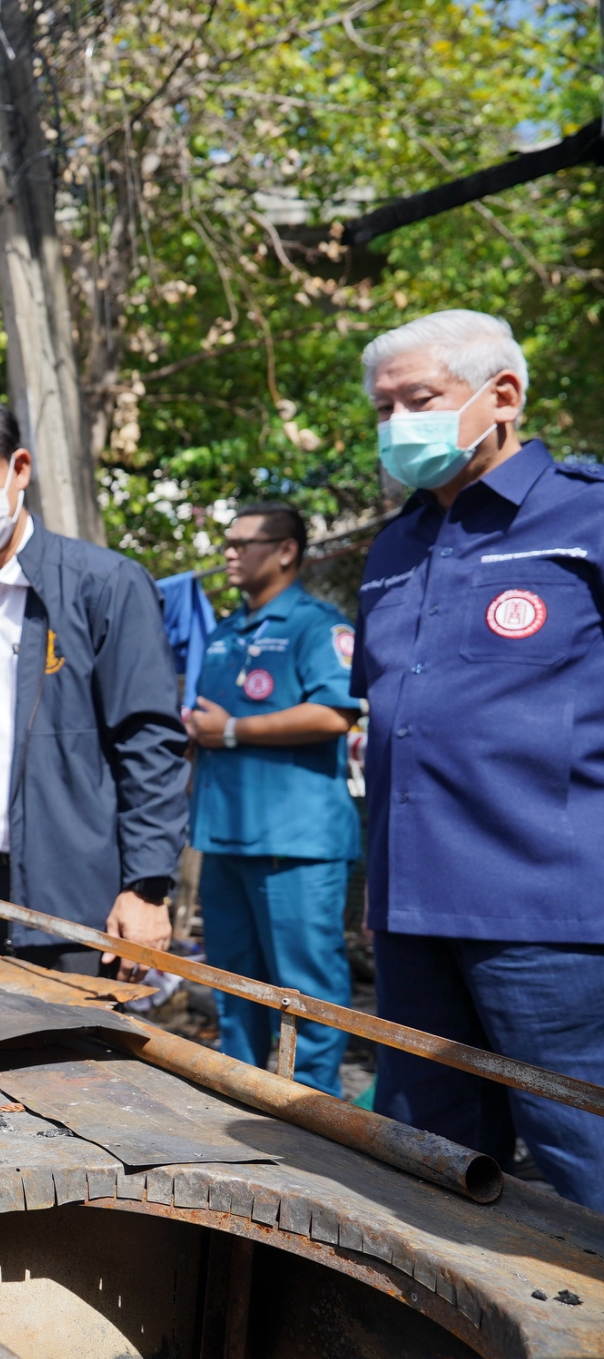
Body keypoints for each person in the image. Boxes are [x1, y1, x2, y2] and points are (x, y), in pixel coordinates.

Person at [353, 309, 604, 1208]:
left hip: (551, 918)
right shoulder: (394, 546)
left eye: (418, 400)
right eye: (383, 410)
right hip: (411, 914)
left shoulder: (588, 517)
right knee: (431, 1168)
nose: (396, 426)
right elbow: (393, 719)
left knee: (585, 1160)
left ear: (502, 396)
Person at [0, 394, 189, 975]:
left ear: (19, 468)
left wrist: (147, 886)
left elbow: (149, 741)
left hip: (76, 901)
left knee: (80, 1038)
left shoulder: (104, 585)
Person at [183, 503, 361, 1095]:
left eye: (245, 543)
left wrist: (233, 730)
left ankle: (312, 1110)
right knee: (233, 988)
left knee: (306, 991)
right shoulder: (224, 632)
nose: (230, 553)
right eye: (227, 542)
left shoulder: (317, 625)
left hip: (295, 844)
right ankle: (239, 1100)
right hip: (223, 837)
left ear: (287, 551)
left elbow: (336, 712)